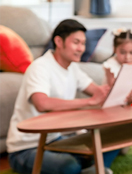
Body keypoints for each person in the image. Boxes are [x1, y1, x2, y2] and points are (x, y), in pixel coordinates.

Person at [6, 19, 119, 174]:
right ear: (59, 41)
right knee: (69, 166)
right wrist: (88, 102)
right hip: (26, 148)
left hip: (55, 141)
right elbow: (42, 103)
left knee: (113, 140)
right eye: (76, 42)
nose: (81, 48)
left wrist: (117, 86)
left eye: (83, 43)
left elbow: (98, 92)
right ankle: (94, 168)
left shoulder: (73, 68)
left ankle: (93, 168)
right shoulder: (40, 67)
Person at [102, 27, 132, 104]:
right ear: (114, 49)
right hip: (114, 101)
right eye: (122, 52)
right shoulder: (110, 65)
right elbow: (113, 89)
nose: (127, 57)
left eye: (131, 52)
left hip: (131, 100)